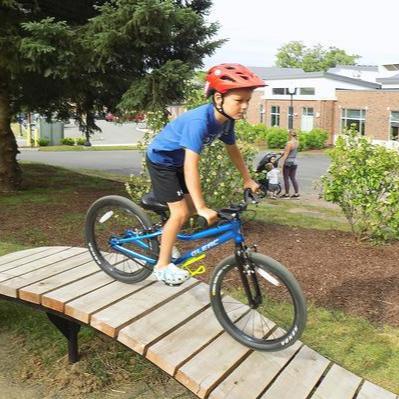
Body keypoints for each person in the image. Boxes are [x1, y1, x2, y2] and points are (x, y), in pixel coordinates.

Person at [146, 64, 264, 285]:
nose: (245, 106)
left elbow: (232, 149)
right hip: (162, 161)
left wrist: (247, 178)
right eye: (239, 101)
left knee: (186, 210)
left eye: (248, 100)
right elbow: (192, 166)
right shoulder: (198, 122)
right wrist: (201, 206)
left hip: (178, 162)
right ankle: (161, 266)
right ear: (219, 99)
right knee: (181, 214)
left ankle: (164, 230)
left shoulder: (226, 121)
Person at [280, 130, 300, 198]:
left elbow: (286, 155)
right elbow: (291, 151)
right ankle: (296, 193)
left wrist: (281, 164)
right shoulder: (297, 142)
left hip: (288, 162)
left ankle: (287, 194)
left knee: (286, 178)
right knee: (293, 178)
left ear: (290, 135)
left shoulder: (289, 143)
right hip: (295, 161)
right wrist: (283, 152)